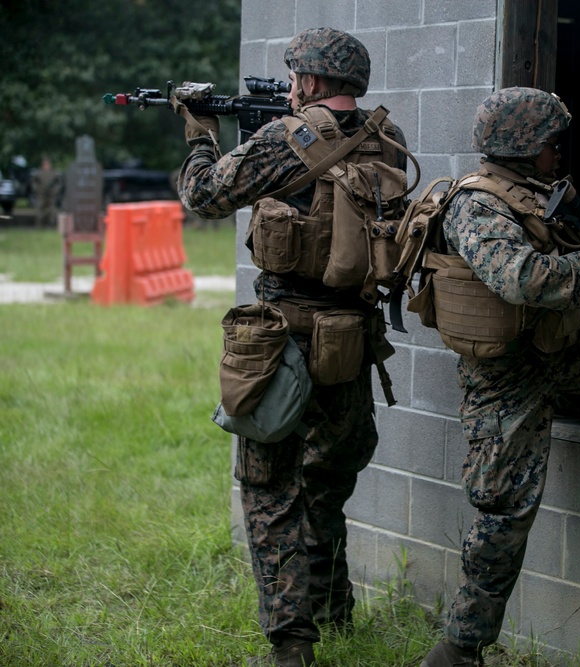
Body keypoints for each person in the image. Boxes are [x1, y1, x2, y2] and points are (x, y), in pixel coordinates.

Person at [176, 27, 410, 667]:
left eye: (293, 77)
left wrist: (200, 134)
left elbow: (205, 196)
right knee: (327, 482)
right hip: (352, 339)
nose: (288, 87)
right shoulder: (387, 139)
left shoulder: (290, 137)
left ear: (309, 81)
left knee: (270, 490)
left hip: (286, 341)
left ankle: (291, 646)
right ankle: (335, 611)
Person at [419, 88, 580, 667]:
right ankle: (458, 649)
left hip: (563, 350)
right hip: (506, 377)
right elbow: (519, 278)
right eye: (551, 143)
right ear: (523, 146)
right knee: (504, 510)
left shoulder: (536, 196)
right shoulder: (475, 205)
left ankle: (563, 402)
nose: (559, 153)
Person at [31, 157, 62, 228]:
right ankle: (39, 225)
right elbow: (34, 183)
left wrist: (55, 191)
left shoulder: (54, 173)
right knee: (40, 210)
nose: (46, 166)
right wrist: (37, 189)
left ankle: (50, 225)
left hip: (51, 195)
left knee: (51, 211)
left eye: (48, 164)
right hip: (41, 195)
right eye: (45, 164)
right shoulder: (39, 173)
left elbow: (58, 183)